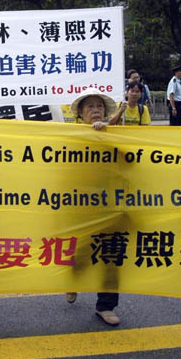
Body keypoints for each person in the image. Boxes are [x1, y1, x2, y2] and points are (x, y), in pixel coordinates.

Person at [64, 87, 123, 327]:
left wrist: (107, 135)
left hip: (110, 205)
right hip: (81, 206)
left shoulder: (116, 134)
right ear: (80, 113)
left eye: (99, 106)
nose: (96, 110)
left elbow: (129, 161)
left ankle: (105, 306)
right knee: (81, 250)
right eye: (90, 106)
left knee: (111, 254)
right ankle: (73, 279)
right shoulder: (72, 136)